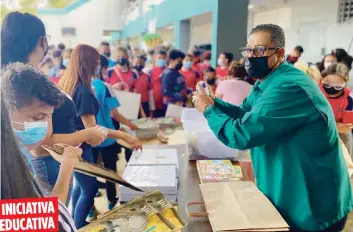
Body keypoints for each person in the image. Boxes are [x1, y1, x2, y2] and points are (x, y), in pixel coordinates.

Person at [193, 24, 352, 232]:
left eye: (259, 50)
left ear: (280, 54)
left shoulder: (288, 86)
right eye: (248, 50)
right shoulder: (266, 82)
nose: (251, 56)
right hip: (287, 192)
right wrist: (214, 102)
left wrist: (207, 110)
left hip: (311, 204)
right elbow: (245, 114)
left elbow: (242, 134)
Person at [1, 12, 107, 208]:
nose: (44, 124)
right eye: (39, 116)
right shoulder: (20, 83)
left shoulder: (28, 78)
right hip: (49, 164)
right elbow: (46, 216)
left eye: (47, 116)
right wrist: (82, 140)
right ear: (41, 41)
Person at [57, 44, 142, 228]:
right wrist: (124, 135)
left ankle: (73, 222)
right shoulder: (84, 91)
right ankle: (77, 227)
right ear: (88, 64)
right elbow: (92, 129)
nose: (98, 67)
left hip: (71, 147)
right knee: (90, 189)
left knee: (80, 187)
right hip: (81, 148)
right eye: (96, 63)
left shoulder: (67, 83)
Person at [1, 94, 79, 232]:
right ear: (8, 111)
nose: (45, 128)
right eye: (37, 117)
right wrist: (66, 167)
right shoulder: (7, 167)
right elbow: (44, 219)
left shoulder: (20, 153)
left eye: (49, 117)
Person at [320, 63, 353, 155]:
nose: (332, 89)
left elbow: (347, 128)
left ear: (345, 83)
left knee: (345, 163)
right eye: (327, 85)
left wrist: (322, 123)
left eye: (338, 86)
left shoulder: (349, 98)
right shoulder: (316, 91)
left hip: (342, 136)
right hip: (319, 134)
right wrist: (337, 125)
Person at [150, 49, 167, 117]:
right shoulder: (150, 71)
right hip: (155, 104)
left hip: (166, 104)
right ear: (155, 58)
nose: (161, 60)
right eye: (159, 58)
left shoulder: (169, 70)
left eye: (163, 58)